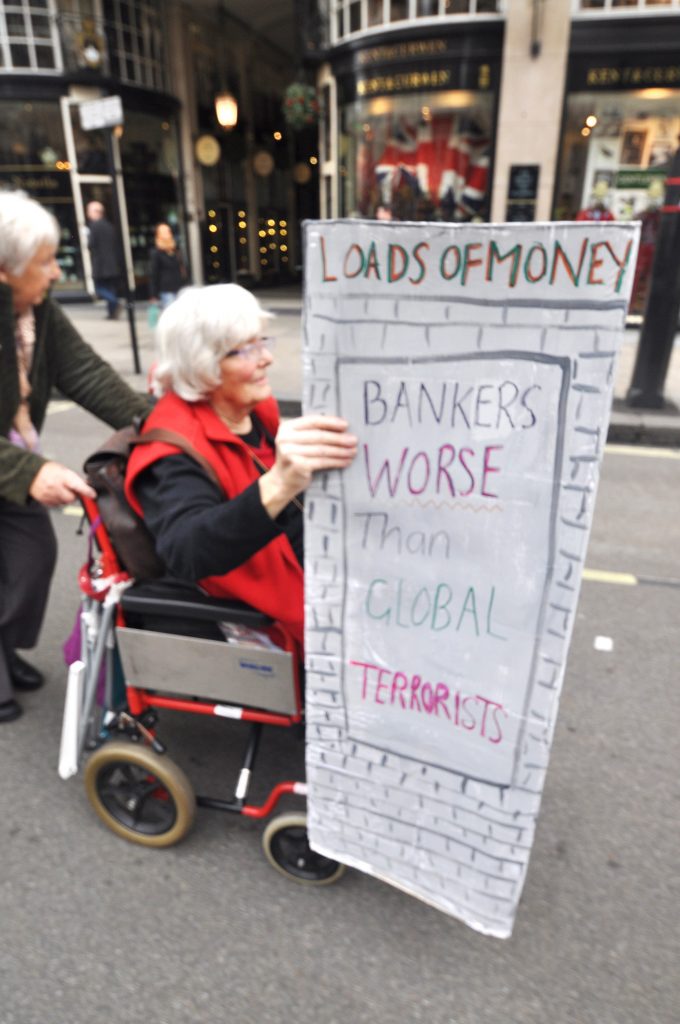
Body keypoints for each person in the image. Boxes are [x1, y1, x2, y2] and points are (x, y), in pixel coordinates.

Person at [125, 284, 358, 655]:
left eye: (262, 342)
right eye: (247, 350)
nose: (266, 358)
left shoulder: (253, 411)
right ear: (202, 365)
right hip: (270, 606)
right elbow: (186, 551)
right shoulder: (171, 448)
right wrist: (279, 483)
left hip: (323, 563)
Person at [0, 189, 151, 723]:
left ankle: (3, 644)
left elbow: (87, 374)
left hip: (11, 459)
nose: (55, 270)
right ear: (4, 270)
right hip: (14, 463)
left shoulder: (36, 310)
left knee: (31, 559)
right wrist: (29, 470)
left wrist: (157, 425)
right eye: (43, 261)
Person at [86, 200, 122, 319]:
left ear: (97, 212)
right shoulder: (110, 226)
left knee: (99, 288)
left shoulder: (94, 226)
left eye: (89, 211)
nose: (88, 214)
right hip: (112, 264)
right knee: (110, 288)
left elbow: (91, 245)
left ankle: (115, 303)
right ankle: (112, 313)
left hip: (101, 264)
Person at [148, 222, 186, 310]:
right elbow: (154, 274)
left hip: (178, 287)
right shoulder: (156, 253)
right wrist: (153, 294)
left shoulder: (175, 251)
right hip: (166, 289)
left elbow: (181, 269)